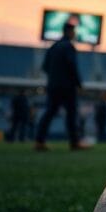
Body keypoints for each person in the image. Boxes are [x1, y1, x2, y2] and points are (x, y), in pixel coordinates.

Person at [35, 20, 87, 151]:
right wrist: (78, 84)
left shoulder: (53, 47)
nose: (74, 34)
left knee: (49, 112)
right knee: (71, 114)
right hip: (67, 87)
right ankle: (74, 143)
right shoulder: (68, 46)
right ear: (69, 31)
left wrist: (54, 77)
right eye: (73, 31)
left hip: (53, 85)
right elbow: (72, 66)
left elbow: (45, 67)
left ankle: (39, 141)